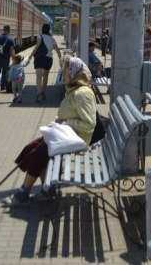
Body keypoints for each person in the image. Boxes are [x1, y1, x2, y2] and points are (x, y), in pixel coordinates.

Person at [13, 57, 97, 204]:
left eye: (64, 71)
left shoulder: (82, 93)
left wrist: (65, 122)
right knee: (32, 147)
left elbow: (89, 124)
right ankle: (47, 189)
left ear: (73, 72)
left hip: (77, 138)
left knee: (38, 153)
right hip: (66, 134)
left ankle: (25, 192)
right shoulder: (73, 89)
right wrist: (60, 123)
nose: (62, 74)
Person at [27, 23, 62, 103]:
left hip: (39, 58)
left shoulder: (40, 36)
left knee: (39, 77)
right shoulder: (52, 38)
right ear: (49, 29)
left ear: (42, 29)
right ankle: (43, 93)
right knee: (45, 76)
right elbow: (57, 49)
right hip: (49, 59)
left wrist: (30, 56)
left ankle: (39, 93)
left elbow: (36, 47)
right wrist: (60, 59)